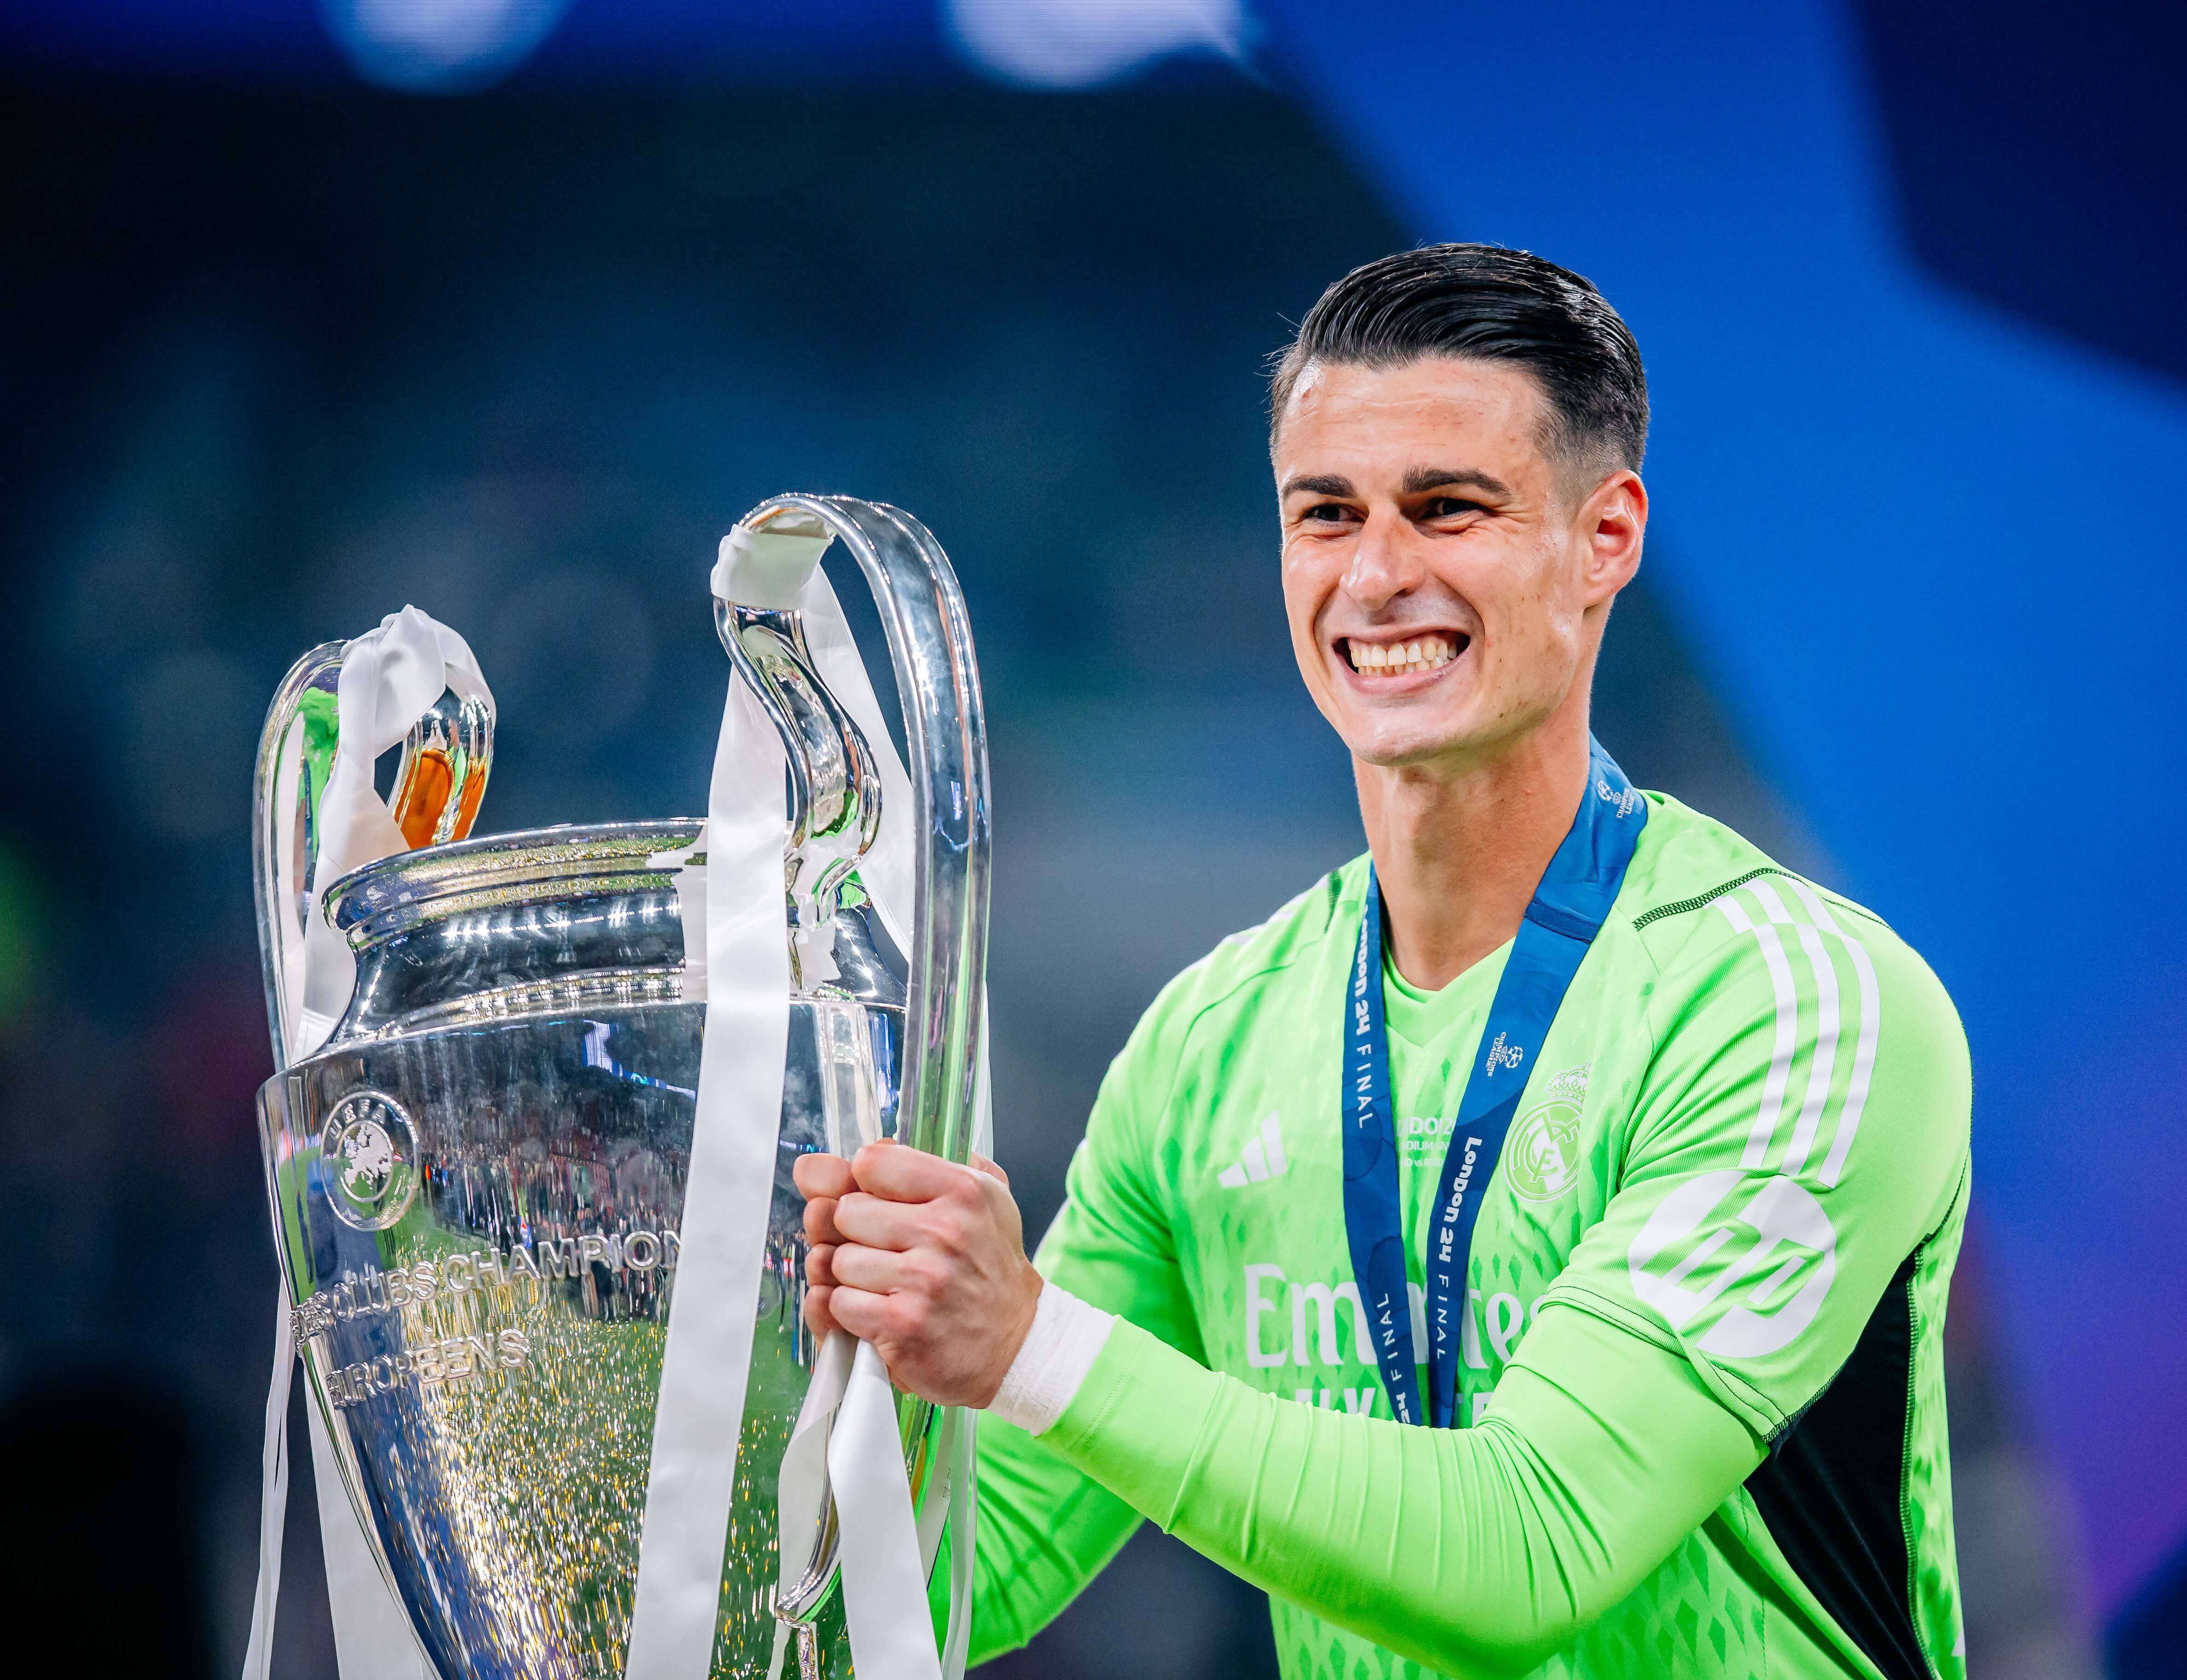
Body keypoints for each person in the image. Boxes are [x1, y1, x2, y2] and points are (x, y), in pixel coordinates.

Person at [795, 245, 1972, 1680]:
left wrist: (1030, 1346)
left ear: (1604, 538)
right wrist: (796, 1391)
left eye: (1448, 510)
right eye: (1326, 515)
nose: (1375, 576)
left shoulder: (1789, 1005)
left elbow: (1532, 1547)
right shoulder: (1213, 1040)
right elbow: (966, 1582)